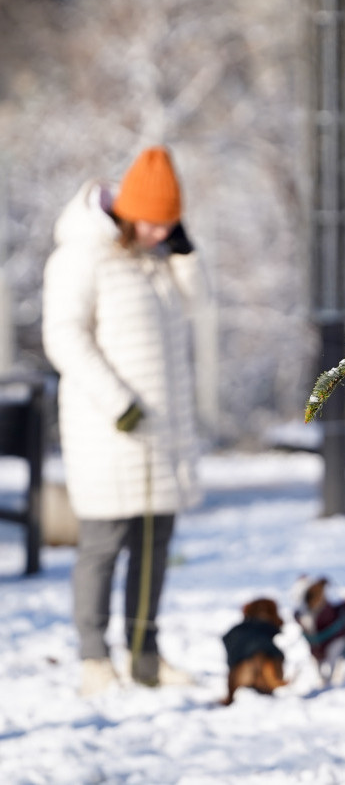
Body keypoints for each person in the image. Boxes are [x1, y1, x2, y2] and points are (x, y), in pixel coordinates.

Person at [42, 146, 207, 696]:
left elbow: (198, 306)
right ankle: (94, 658)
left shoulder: (159, 257)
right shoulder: (81, 257)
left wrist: (183, 253)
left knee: (156, 543)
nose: (161, 232)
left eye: (170, 223)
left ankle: (145, 656)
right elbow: (64, 336)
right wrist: (119, 404)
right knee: (104, 543)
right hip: (108, 428)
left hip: (163, 431)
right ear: (127, 210)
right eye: (153, 221)